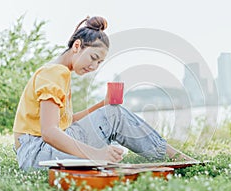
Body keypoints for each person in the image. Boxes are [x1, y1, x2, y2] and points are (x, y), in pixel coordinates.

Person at [13, 16, 195, 171]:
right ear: (77, 46)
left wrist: (102, 104)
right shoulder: (54, 73)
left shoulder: (61, 73)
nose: (93, 67)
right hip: (35, 154)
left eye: (99, 63)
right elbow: (49, 132)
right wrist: (95, 154)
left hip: (36, 152)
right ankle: (174, 157)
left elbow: (67, 122)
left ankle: (171, 155)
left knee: (112, 112)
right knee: (114, 115)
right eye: (93, 58)